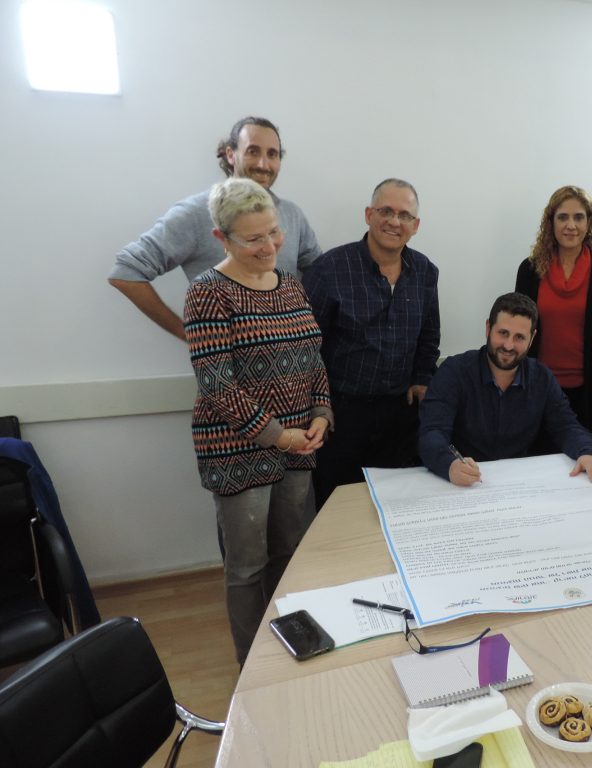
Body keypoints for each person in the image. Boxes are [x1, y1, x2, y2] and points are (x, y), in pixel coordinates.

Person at [183, 178, 333, 665]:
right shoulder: (208, 294)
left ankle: (292, 651)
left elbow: (313, 358)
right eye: (254, 238)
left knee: (290, 555)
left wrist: (321, 413)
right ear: (221, 238)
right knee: (247, 568)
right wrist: (277, 435)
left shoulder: (290, 285)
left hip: (298, 443)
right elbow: (217, 385)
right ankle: (253, 667)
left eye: (273, 232)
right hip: (237, 451)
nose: (269, 246)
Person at [110, 116, 321, 340]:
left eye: (272, 154)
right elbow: (126, 271)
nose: (263, 164)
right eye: (252, 151)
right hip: (227, 358)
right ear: (231, 154)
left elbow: (320, 273)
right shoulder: (195, 213)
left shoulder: (292, 214)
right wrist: (190, 334)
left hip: (296, 355)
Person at [302, 179, 440, 507]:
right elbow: (307, 347)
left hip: (399, 415)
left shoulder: (425, 272)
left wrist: (422, 377)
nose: (394, 221)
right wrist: (319, 406)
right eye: (386, 211)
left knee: (393, 506)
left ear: (416, 225)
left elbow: (429, 334)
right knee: (337, 508)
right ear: (368, 215)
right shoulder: (329, 270)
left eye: (404, 215)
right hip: (341, 415)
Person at [419, 293, 592, 487]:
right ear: (488, 328)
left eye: (519, 337)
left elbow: (567, 427)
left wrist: (587, 452)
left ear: (532, 338)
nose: (508, 345)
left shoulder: (542, 377)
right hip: (464, 483)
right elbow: (432, 432)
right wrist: (450, 464)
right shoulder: (454, 371)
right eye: (503, 333)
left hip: (519, 484)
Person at [514, 186, 592, 430]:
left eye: (579, 217)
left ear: (589, 223)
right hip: (540, 389)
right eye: (562, 217)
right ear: (551, 223)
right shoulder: (530, 270)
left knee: (589, 451)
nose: (571, 225)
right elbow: (519, 330)